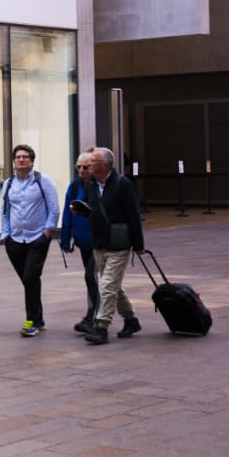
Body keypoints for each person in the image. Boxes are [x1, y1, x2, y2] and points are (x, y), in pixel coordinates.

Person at [81, 147, 144, 345]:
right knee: (112, 285)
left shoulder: (122, 183)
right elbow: (89, 208)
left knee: (107, 285)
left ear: (105, 164)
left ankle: (101, 326)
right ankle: (131, 320)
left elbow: (134, 214)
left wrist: (138, 244)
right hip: (99, 243)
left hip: (119, 243)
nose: (88, 165)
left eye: (92, 161)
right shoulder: (90, 184)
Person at [0, 144, 59, 337]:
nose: (21, 159)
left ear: (32, 161)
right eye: (18, 157)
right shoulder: (9, 184)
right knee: (30, 281)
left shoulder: (43, 181)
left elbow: (54, 208)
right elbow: (5, 211)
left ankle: (31, 321)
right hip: (15, 239)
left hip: (37, 238)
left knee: (30, 278)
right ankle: (39, 318)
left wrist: (47, 233)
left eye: (25, 157)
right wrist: (6, 235)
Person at [60, 150, 100, 334]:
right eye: (79, 167)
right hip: (83, 240)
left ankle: (93, 316)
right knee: (95, 279)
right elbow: (67, 213)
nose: (82, 170)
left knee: (91, 276)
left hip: (99, 241)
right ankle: (129, 317)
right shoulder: (75, 186)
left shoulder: (99, 186)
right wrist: (65, 238)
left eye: (86, 167)